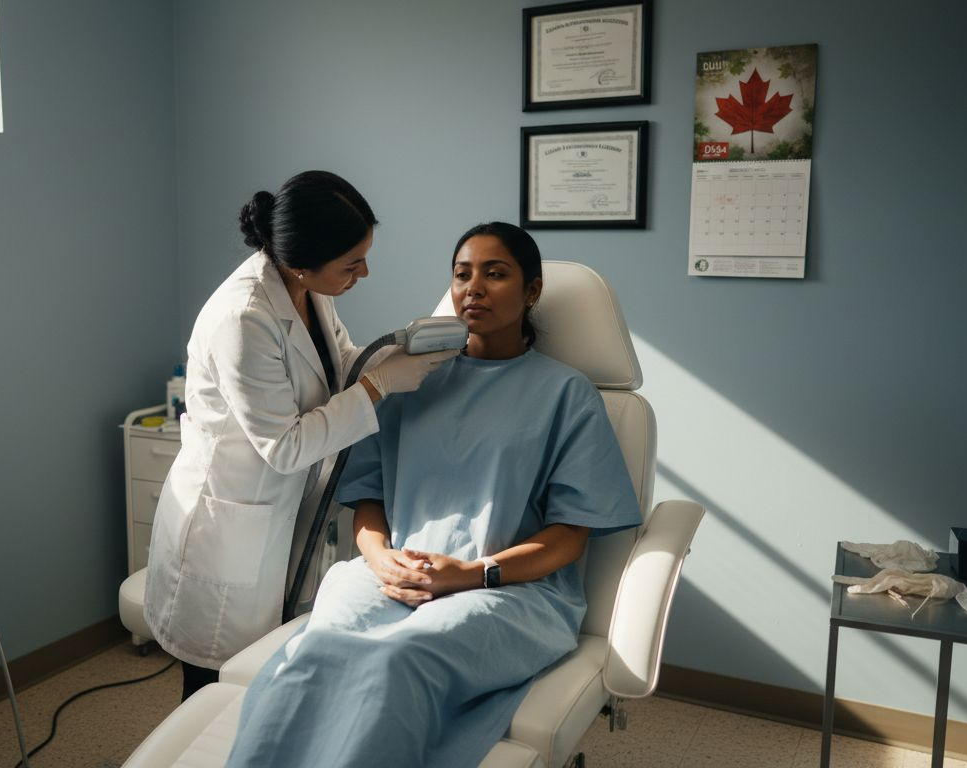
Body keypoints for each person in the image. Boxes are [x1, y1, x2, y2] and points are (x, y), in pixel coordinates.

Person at [225, 222, 644, 767]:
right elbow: (368, 498)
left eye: (495, 274)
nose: (474, 288)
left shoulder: (568, 395)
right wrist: (378, 558)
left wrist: (470, 574)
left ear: (531, 291)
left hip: (509, 590)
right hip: (391, 574)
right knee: (315, 652)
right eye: (462, 274)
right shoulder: (409, 380)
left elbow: (569, 537)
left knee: (400, 659)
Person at [144, 170, 457, 700]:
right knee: (214, 689)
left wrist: (394, 358)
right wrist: (379, 386)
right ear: (301, 261)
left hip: (282, 513)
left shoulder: (308, 289)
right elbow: (284, 446)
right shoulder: (243, 318)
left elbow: (338, 365)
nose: (365, 272)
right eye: (352, 263)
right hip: (229, 524)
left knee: (270, 674)